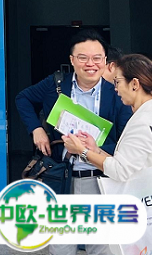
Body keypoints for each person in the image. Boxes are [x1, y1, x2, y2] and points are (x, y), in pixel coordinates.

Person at [15, 29, 132, 255]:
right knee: (60, 246)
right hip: (63, 178)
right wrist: (36, 129)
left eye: (97, 58)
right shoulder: (56, 84)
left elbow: (124, 142)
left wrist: (94, 149)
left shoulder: (117, 94)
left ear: (105, 61)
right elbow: (23, 98)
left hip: (101, 180)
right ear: (72, 60)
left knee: (101, 247)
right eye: (83, 57)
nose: (90, 64)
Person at [62, 54, 152, 182]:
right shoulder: (145, 114)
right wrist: (95, 150)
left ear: (134, 84)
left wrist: (82, 151)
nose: (115, 88)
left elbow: (120, 171)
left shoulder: (142, 122)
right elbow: (124, 163)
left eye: (117, 82)